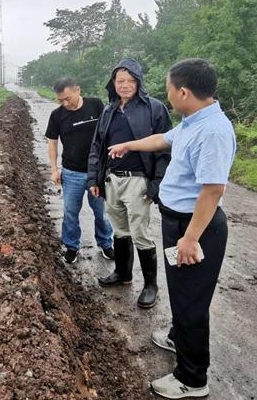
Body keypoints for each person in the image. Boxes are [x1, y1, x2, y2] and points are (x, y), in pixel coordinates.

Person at [107, 58, 236, 399]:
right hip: (178, 221)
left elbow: (213, 190)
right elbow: (162, 140)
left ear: (184, 92)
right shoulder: (192, 121)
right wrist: (128, 145)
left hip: (195, 227)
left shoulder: (213, 131)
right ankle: (178, 338)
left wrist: (190, 238)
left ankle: (192, 379)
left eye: (168, 89)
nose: (167, 95)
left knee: (192, 302)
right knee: (181, 292)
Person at [88, 58, 172, 308]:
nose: (124, 85)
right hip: (112, 179)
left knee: (140, 233)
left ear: (139, 82)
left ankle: (150, 285)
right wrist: (94, 178)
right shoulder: (109, 110)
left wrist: (156, 184)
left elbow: (165, 150)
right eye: (120, 81)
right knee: (120, 230)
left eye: (130, 81)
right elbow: (97, 146)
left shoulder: (154, 108)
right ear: (113, 83)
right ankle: (122, 273)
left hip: (138, 181)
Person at [45, 78, 114, 264]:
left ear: (78, 90)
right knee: (70, 212)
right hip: (71, 173)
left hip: (97, 173)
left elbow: (108, 132)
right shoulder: (57, 115)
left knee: (101, 212)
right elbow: (52, 142)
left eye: (68, 98)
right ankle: (71, 247)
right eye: (61, 100)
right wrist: (54, 169)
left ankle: (106, 243)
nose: (65, 103)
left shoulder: (95, 105)